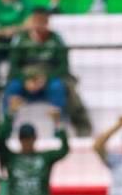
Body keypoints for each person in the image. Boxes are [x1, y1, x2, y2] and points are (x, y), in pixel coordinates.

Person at [6, 7, 92, 135]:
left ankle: (59, 129)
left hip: (49, 80)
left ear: (47, 22)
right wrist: (25, 81)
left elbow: (63, 67)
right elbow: (13, 67)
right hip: (26, 80)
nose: (38, 24)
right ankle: (5, 127)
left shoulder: (56, 39)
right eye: (36, 21)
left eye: (42, 21)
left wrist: (45, 79)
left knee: (58, 87)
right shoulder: (21, 40)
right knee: (13, 87)